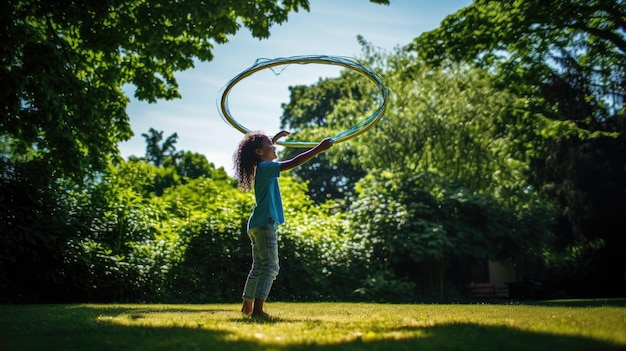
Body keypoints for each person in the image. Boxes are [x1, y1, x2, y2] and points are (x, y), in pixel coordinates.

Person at [233, 130, 333, 318]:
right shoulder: (267, 167)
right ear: (259, 152)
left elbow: (266, 146)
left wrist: (275, 138)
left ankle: (247, 307)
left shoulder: (260, 167)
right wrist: (319, 148)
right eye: (271, 145)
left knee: (259, 266)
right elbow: (293, 163)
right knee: (270, 267)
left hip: (256, 223)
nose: (274, 147)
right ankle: (258, 310)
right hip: (265, 224)